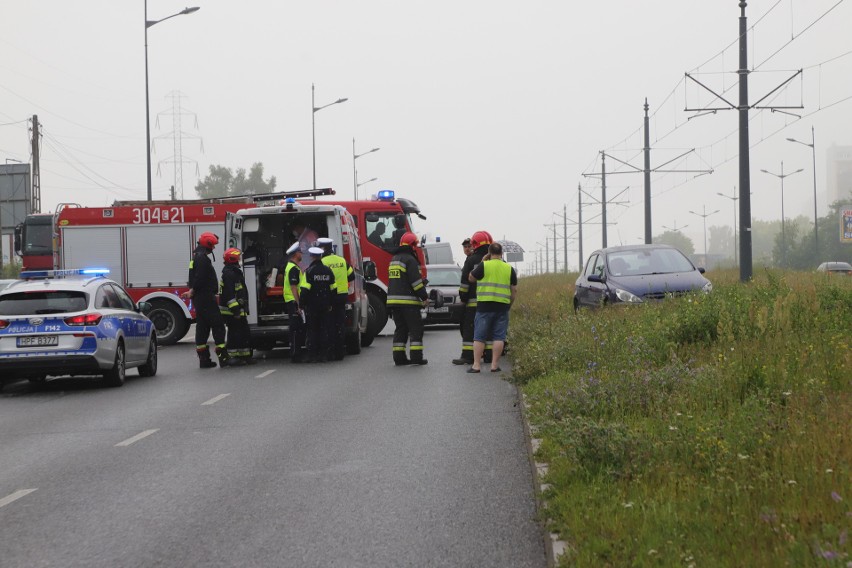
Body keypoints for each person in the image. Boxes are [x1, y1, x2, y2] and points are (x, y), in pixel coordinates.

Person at [466, 242, 517, 373]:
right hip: (502, 307)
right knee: (499, 337)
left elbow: (471, 278)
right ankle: (494, 365)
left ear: (489, 252)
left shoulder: (484, 265)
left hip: (484, 306)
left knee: (479, 336)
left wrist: (482, 261)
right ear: (502, 253)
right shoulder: (509, 268)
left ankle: (476, 365)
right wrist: (508, 305)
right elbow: (514, 291)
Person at [182, 231, 229, 368]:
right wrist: (193, 290)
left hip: (200, 298)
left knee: (202, 327)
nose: (213, 248)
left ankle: (204, 359)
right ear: (207, 245)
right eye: (212, 246)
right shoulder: (202, 258)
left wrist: (192, 290)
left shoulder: (196, 257)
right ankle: (223, 357)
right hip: (205, 297)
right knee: (218, 325)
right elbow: (200, 278)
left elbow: (195, 277)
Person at [387, 231, 429, 366]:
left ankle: (399, 358)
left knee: (401, 329)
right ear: (412, 245)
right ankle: (416, 357)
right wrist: (424, 296)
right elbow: (415, 283)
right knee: (415, 329)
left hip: (394, 302)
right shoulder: (410, 260)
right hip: (408, 302)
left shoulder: (394, 259)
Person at [452, 230, 491, 366]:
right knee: (489, 328)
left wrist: (463, 298)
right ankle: (489, 356)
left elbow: (465, 284)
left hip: (473, 303)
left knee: (469, 329)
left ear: (475, 244)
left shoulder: (471, 260)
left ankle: (468, 356)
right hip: (491, 302)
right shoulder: (496, 260)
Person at [318, 237, 354, 361]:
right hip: (342, 297)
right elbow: (352, 275)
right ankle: (340, 352)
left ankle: (330, 352)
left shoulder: (322, 262)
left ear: (322, 249)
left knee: (329, 325)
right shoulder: (342, 260)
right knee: (340, 324)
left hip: (328, 298)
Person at [219, 247, 254, 366]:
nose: (240, 259)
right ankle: (233, 357)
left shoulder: (234, 272)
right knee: (235, 334)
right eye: (238, 257)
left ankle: (245, 356)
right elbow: (229, 295)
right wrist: (236, 311)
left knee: (244, 333)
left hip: (238, 310)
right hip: (232, 312)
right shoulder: (229, 274)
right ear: (233, 259)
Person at [300, 246, 335, 363]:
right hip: (325, 306)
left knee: (313, 330)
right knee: (324, 329)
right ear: (320, 256)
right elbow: (333, 289)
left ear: (312, 257)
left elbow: (305, 290)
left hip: (312, 307)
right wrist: (331, 303)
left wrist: (301, 304)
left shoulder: (309, 272)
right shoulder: (328, 271)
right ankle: (324, 354)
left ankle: (312, 354)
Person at [282, 242, 306, 363]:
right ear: (296, 253)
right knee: (296, 329)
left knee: (296, 329)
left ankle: (296, 352)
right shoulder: (293, 268)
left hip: (291, 301)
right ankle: (296, 354)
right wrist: (299, 304)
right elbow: (294, 287)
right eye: (300, 252)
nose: (302, 254)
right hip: (293, 302)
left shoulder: (292, 267)